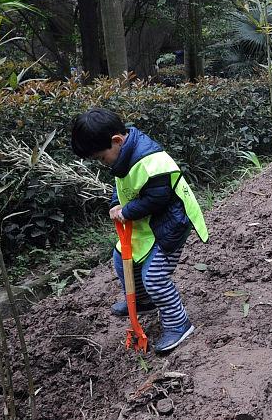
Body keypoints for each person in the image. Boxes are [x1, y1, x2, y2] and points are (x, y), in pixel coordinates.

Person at [71, 108, 208, 354]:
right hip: (148, 223)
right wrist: (116, 203)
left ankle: (179, 324)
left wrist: (128, 211)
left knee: (155, 276)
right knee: (121, 258)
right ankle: (143, 301)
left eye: (102, 158)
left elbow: (159, 196)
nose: (103, 163)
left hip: (171, 224)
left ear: (116, 141)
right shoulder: (122, 156)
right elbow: (121, 184)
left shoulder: (150, 160)